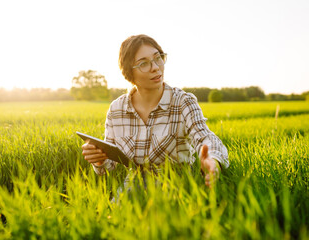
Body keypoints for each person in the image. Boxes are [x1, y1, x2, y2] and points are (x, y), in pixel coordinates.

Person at [81, 34, 229, 189]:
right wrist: (98, 160)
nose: (156, 67)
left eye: (158, 58)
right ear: (129, 72)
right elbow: (109, 164)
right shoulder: (116, 110)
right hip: (133, 189)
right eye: (143, 63)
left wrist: (212, 160)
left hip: (179, 188)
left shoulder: (183, 102)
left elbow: (204, 136)